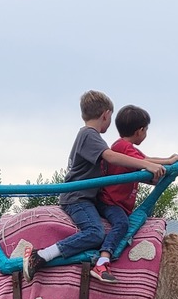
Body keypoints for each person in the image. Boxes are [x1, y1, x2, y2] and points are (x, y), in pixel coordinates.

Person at [23, 91, 167, 284]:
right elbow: (110, 157)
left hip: (86, 198)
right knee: (94, 233)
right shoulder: (89, 135)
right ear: (106, 115)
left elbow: (121, 166)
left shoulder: (90, 137)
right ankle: (40, 256)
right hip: (77, 198)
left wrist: (157, 168)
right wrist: (147, 165)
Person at [98, 104, 178, 217]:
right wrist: (169, 162)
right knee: (121, 226)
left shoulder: (126, 147)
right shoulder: (122, 146)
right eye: (146, 130)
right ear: (140, 131)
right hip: (111, 202)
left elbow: (146, 159)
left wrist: (168, 160)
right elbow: (144, 161)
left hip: (120, 204)